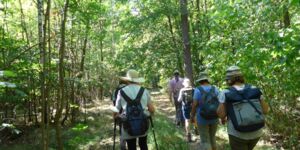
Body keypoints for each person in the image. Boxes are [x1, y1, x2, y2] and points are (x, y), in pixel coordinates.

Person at [217, 66, 269, 150]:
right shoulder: (255, 89)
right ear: (241, 77)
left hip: (237, 134)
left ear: (228, 79)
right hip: (256, 132)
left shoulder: (226, 92)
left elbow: (221, 115)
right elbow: (266, 110)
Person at [114, 69, 155, 150]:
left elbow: (116, 110)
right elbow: (152, 109)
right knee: (143, 144)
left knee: (131, 146)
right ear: (137, 80)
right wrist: (150, 114)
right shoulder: (144, 91)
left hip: (127, 125)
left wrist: (116, 117)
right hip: (143, 124)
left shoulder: (121, 92)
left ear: (127, 80)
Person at [191, 72, 219, 150]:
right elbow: (220, 103)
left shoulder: (197, 90)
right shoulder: (215, 88)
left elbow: (194, 105)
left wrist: (192, 116)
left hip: (202, 118)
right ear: (207, 79)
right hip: (214, 117)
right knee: (212, 137)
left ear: (200, 81)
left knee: (205, 140)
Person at [111, 79, 128, 150]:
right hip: (128, 113)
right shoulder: (128, 89)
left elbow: (114, 102)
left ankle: (123, 146)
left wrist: (114, 115)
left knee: (121, 130)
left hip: (119, 113)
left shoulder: (116, 90)